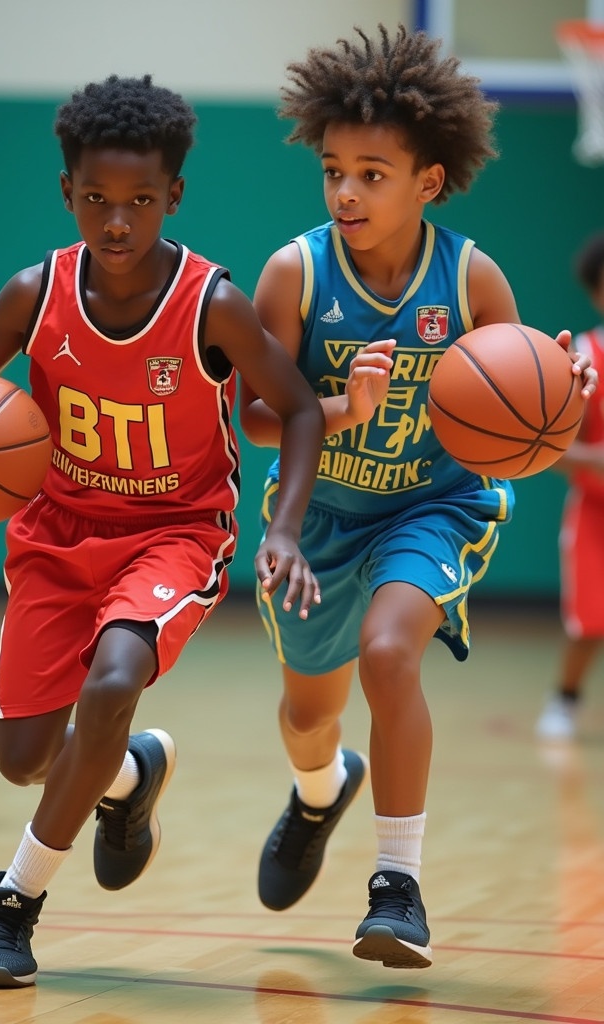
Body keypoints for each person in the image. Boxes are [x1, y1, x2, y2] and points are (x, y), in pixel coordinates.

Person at [0, 75, 326, 988]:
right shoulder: (34, 294)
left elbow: (302, 407)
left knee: (115, 678)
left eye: (141, 202)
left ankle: (14, 901)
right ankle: (128, 776)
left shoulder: (213, 304)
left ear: (174, 196)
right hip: (57, 534)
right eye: (98, 201)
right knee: (24, 759)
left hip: (175, 533)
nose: (118, 223)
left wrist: (283, 526)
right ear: (68, 193)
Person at [240, 24, 598, 970]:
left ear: (428, 180)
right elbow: (258, 421)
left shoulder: (471, 275)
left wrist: (560, 398)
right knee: (310, 714)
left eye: (372, 173)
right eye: (333, 171)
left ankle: (397, 887)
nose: (346, 192)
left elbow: (527, 420)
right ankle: (320, 792)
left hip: (432, 506)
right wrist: (343, 407)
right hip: (319, 516)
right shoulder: (296, 273)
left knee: (390, 652)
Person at [536, 231, 604, 741]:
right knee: (590, 622)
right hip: (595, 513)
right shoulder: (584, 355)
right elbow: (554, 446)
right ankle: (565, 699)